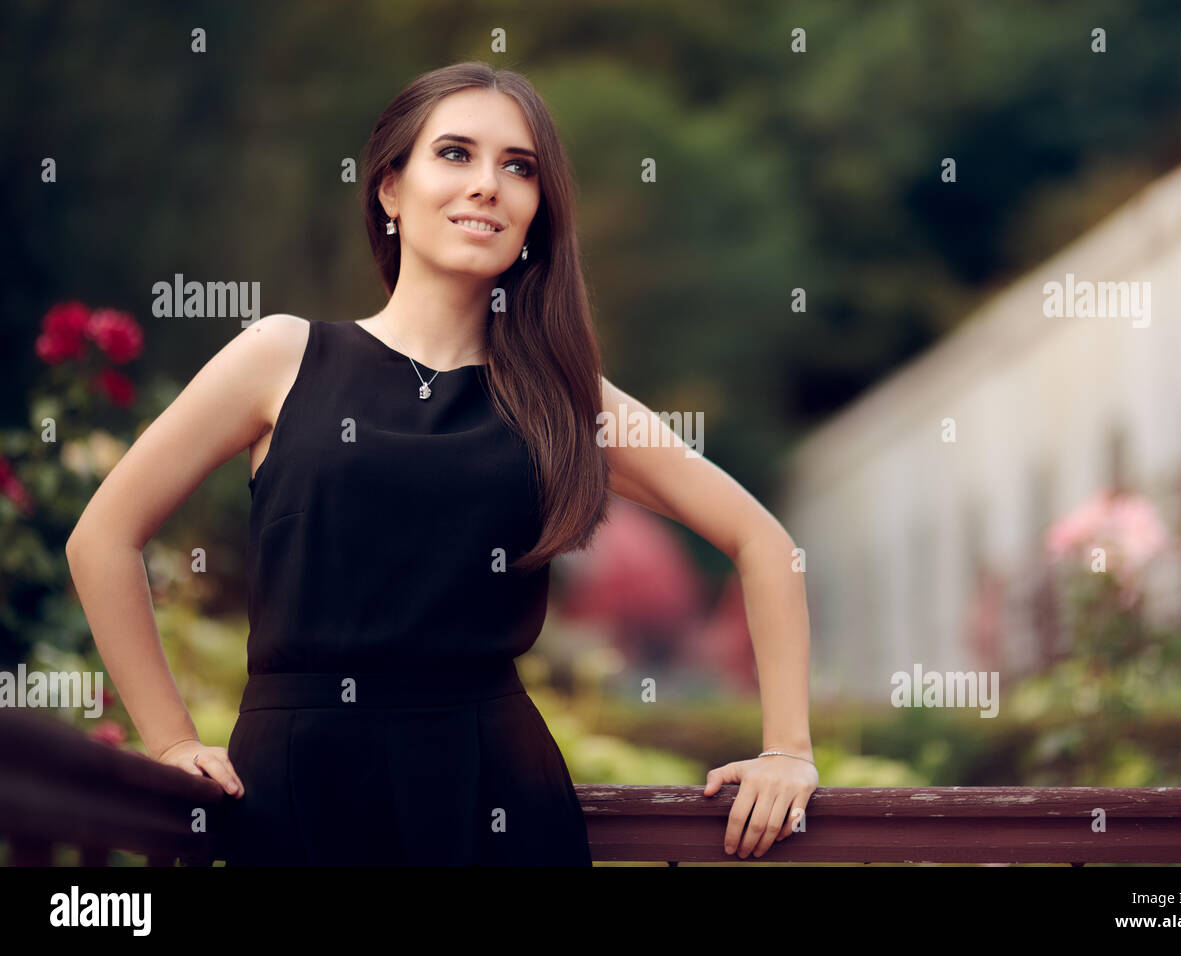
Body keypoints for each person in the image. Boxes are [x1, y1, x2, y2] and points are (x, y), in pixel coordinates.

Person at [65, 61, 818, 865]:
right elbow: (102, 537)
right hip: (297, 795)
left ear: (537, 211)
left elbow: (763, 541)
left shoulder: (564, 399)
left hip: (497, 799)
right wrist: (172, 740)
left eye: (518, 167)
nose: (488, 185)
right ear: (390, 189)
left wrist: (788, 750)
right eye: (455, 154)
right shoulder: (279, 355)